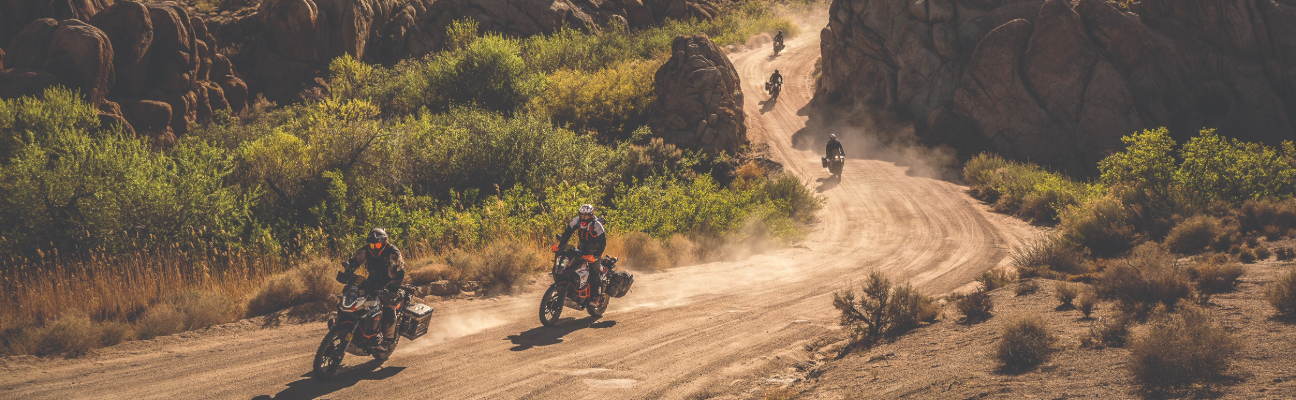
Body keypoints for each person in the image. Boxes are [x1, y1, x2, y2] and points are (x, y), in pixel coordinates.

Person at [343, 228, 406, 346]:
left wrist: (392, 287)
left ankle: (388, 339)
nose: (374, 247)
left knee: (388, 306)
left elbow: (400, 271)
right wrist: (348, 272)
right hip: (372, 282)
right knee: (356, 298)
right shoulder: (367, 250)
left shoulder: (393, 252)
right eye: (371, 245)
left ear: (384, 242)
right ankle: (353, 327)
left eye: (377, 244)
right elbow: (354, 261)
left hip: (389, 284)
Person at [556, 204, 607, 307]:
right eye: (581, 215)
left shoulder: (597, 225)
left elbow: (603, 243)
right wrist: (560, 246)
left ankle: (595, 297)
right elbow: (567, 233)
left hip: (595, 247)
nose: (583, 218)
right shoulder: (576, 221)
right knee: (573, 264)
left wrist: (595, 256)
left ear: (591, 215)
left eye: (586, 216)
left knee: (594, 270)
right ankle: (571, 288)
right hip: (582, 245)